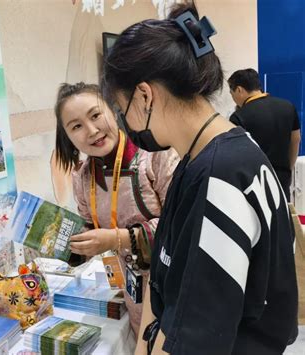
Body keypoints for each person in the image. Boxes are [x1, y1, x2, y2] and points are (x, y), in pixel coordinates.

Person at [102, 3, 298, 355]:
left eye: (122, 108)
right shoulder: (213, 153)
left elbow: (197, 337)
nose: (124, 122)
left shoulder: (218, 176)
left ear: (145, 96)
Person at [54, 82, 179, 338]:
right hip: (132, 290)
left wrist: (116, 238)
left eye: (96, 115)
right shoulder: (82, 176)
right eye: (76, 126)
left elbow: (180, 226)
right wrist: (71, 244)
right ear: (67, 135)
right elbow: (90, 226)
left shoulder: (155, 156)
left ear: (113, 111)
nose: (91, 131)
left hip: (173, 286)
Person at [228, 68, 301, 201]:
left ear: (239, 90)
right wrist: (287, 169)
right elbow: (296, 139)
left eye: (231, 93)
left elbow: (237, 156)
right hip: (282, 177)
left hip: (254, 182)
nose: (233, 99)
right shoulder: (288, 106)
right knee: (282, 216)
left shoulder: (238, 117)